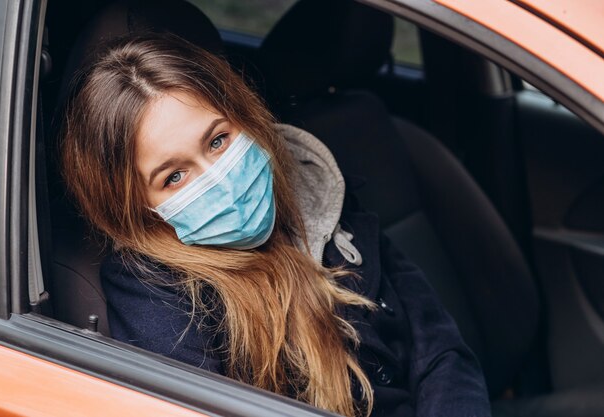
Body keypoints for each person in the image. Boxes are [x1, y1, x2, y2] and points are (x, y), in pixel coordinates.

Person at [60, 33, 491, 417]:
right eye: (174, 176)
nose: (221, 181)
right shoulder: (153, 291)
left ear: (245, 119)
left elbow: (441, 352)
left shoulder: (319, 192)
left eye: (218, 140)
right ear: (138, 206)